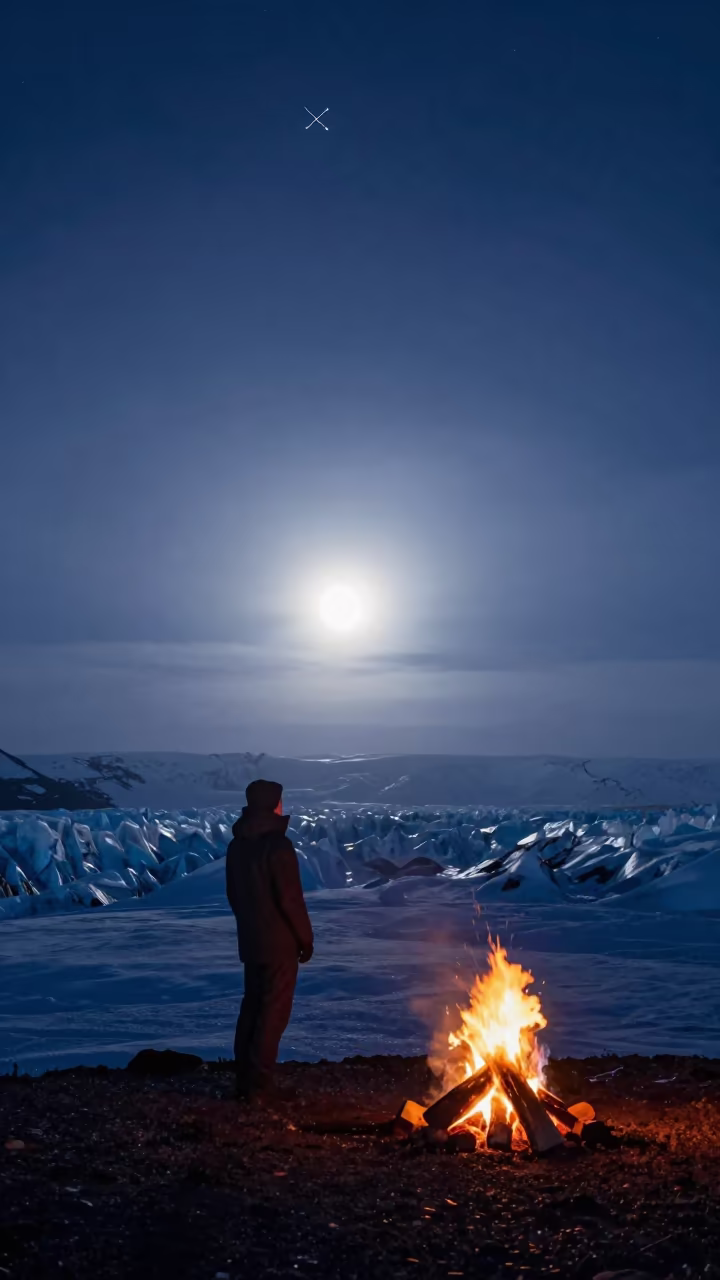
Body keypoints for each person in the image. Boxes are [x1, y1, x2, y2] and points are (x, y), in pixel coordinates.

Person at [225, 778, 314, 1101]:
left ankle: (245, 1080)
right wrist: (305, 939)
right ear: (273, 804)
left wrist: (249, 926)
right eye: (280, 800)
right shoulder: (278, 846)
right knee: (273, 1013)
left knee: (252, 1007)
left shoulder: (237, 846)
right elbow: (290, 899)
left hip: (251, 941)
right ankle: (260, 1086)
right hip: (280, 944)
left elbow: (233, 895)